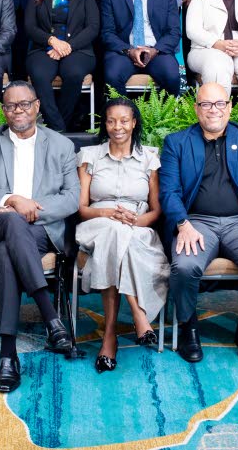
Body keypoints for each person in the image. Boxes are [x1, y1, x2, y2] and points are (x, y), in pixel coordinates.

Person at [0, 81, 80, 393]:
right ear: (4, 110)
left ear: (37, 106)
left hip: (39, 230)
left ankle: (7, 355)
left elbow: (71, 200)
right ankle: (51, 317)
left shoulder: (61, 146)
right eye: (11, 105)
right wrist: (12, 200)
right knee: (11, 225)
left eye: (25, 104)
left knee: (7, 252)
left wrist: (31, 211)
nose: (19, 111)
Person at [159, 82, 238, 364]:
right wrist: (182, 224)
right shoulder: (177, 142)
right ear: (196, 108)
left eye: (220, 104)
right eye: (206, 104)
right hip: (196, 223)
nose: (214, 110)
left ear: (230, 106)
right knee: (185, 266)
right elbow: (169, 192)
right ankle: (188, 326)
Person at [75, 97, 170, 371]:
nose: (118, 127)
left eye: (124, 120)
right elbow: (82, 209)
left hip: (137, 229)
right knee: (112, 231)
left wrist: (136, 221)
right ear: (105, 124)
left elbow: (156, 210)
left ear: (134, 123)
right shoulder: (89, 156)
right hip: (97, 225)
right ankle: (139, 314)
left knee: (118, 239)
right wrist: (108, 214)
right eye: (112, 120)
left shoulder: (149, 159)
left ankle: (109, 335)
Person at [25, 0, 99, 132]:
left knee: (73, 73)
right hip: (44, 48)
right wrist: (52, 41)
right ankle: (58, 129)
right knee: (40, 75)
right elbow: (30, 27)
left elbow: (93, 28)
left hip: (78, 49)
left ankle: (58, 127)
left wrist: (67, 46)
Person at [102, 0, 181, 97]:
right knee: (112, 75)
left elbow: (174, 32)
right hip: (124, 52)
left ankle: (162, 119)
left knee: (171, 75)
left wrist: (154, 50)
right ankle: (125, 118)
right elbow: (107, 33)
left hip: (157, 51)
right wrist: (130, 50)